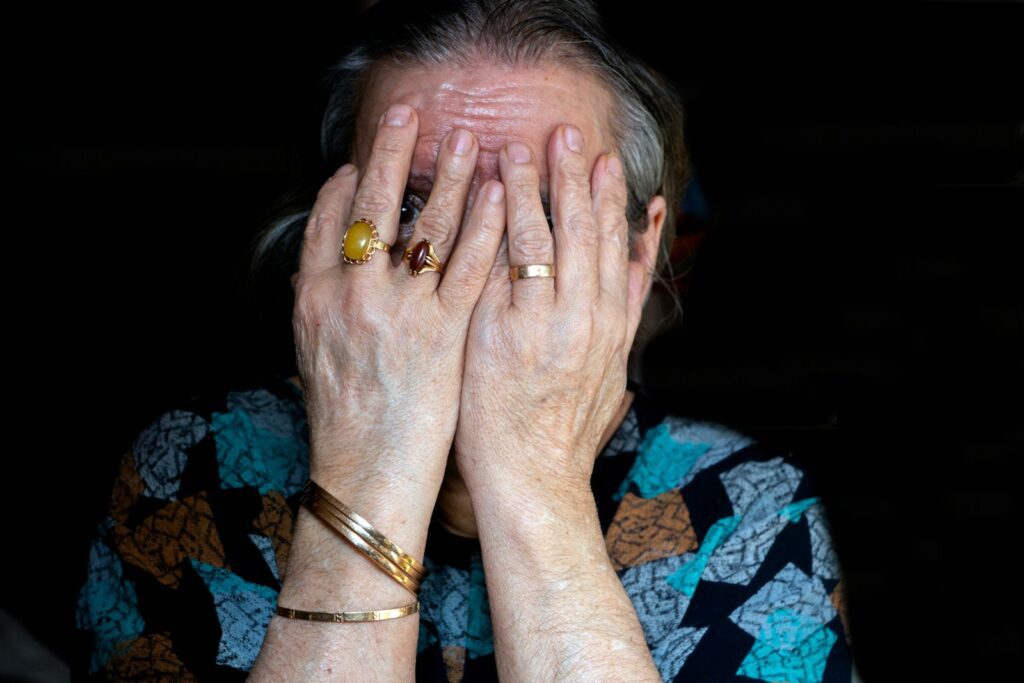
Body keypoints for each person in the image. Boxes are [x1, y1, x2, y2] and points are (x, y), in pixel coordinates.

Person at [74, 0, 855, 680]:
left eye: (538, 215)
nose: (470, 269)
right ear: (332, 234)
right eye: (415, 211)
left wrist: (534, 471)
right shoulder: (194, 470)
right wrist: (372, 461)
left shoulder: (749, 515)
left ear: (637, 254)